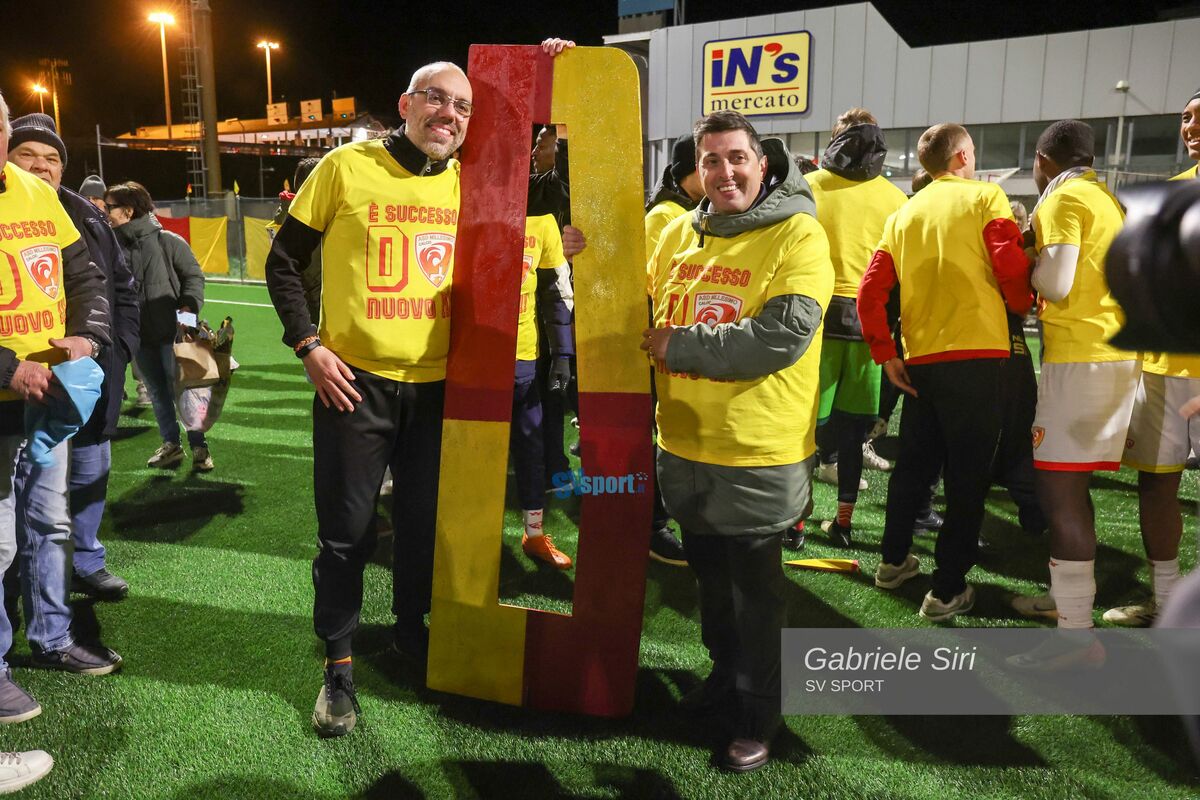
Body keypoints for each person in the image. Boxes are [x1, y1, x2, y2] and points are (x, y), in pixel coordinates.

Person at [265, 39, 576, 739]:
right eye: (436, 98)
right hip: (355, 387)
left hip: (441, 391)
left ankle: (411, 632)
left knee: (421, 526)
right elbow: (284, 261)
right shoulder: (346, 167)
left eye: (463, 106)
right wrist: (308, 345)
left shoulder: (474, 181)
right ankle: (338, 666)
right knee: (346, 536)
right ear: (405, 104)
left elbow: (544, 179)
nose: (450, 114)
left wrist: (549, 71)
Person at [643, 110, 833, 772]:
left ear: (763, 164)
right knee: (711, 584)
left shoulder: (798, 233)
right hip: (684, 445)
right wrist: (585, 251)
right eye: (711, 161)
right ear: (696, 172)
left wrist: (681, 346)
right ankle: (725, 678)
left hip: (757, 450)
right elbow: (635, 298)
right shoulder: (678, 232)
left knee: (757, 596)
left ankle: (760, 715)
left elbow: (781, 336)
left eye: (736, 158)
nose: (724, 172)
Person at [858, 123, 1032, 622]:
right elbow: (1008, 265)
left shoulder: (903, 214)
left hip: (920, 361)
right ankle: (947, 588)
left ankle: (892, 563)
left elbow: (870, 292)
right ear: (962, 157)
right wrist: (1022, 304)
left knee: (913, 469)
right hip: (979, 356)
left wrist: (886, 352)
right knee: (967, 478)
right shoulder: (985, 197)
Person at [0, 91, 120, 720]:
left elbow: (84, 276)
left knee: (50, 523)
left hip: (48, 396)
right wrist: (7, 367)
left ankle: (51, 637)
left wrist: (87, 336)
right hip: (4, 396)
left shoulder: (35, 192)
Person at [1006, 120, 1133, 662]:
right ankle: (1068, 604)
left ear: (1042, 160)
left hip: (1082, 359)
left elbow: (1056, 283)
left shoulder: (1062, 198)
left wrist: (1028, 261)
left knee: (1059, 495)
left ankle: (1076, 638)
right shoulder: (1106, 198)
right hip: (1113, 354)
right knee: (1073, 491)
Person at [6, 114, 139, 601]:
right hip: (21, 383)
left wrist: (117, 350)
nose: (41, 166)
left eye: (52, 158)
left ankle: (85, 562)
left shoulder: (88, 215)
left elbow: (119, 287)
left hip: (87, 375)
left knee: (87, 473)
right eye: (27, 154)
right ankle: (19, 580)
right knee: (22, 498)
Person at [1105, 92, 1200, 626]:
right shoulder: (1168, 193)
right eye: (1186, 117)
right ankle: (1165, 602)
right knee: (1157, 483)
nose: (1191, 126)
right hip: (1164, 368)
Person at [804, 108, 907, 548]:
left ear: (836, 140)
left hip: (814, 321)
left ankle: (794, 525)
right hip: (868, 326)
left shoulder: (808, 186)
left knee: (803, 428)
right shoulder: (897, 198)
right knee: (852, 434)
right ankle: (842, 524)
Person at [104, 181, 209, 470]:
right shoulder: (112, 249)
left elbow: (193, 278)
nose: (105, 212)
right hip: (139, 337)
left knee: (185, 392)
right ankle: (171, 445)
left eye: (109, 207)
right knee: (157, 393)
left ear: (128, 210)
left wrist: (187, 315)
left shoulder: (168, 241)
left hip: (173, 335)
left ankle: (199, 447)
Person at [640, 133, 703, 567]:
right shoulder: (667, 215)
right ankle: (653, 524)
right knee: (661, 438)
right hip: (662, 347)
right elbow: (650, 288)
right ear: (685, 172)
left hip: (683, 346)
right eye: (707, 163)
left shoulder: (692, 212)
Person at [514, 211, 576, 569]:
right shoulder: (460, 199)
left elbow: (556, 291)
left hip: (522, 358)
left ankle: (534, 534)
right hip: (466, 360)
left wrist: (562, 355)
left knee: (531, 449)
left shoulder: (540, 220)